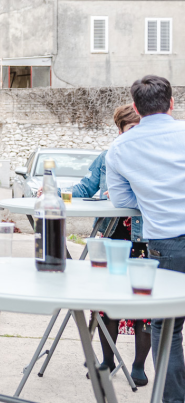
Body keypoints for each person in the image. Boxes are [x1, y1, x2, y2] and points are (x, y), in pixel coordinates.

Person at [107, 75, 185, 403]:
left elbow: (122, 201)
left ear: (136, 108)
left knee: (167, 325)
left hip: (166, 241)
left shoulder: (120, 148)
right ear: (171, 103)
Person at [73, 104, 150, 385]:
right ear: (119, 130)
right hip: (112, 236)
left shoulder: (153, 158)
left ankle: (139, 366)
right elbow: (84, 189)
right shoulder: (107, 157)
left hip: (143, 241)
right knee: (106, 302)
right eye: (131, 129)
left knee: (144, 304)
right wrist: (55, 191)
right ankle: (107, 360)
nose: (136, 135)